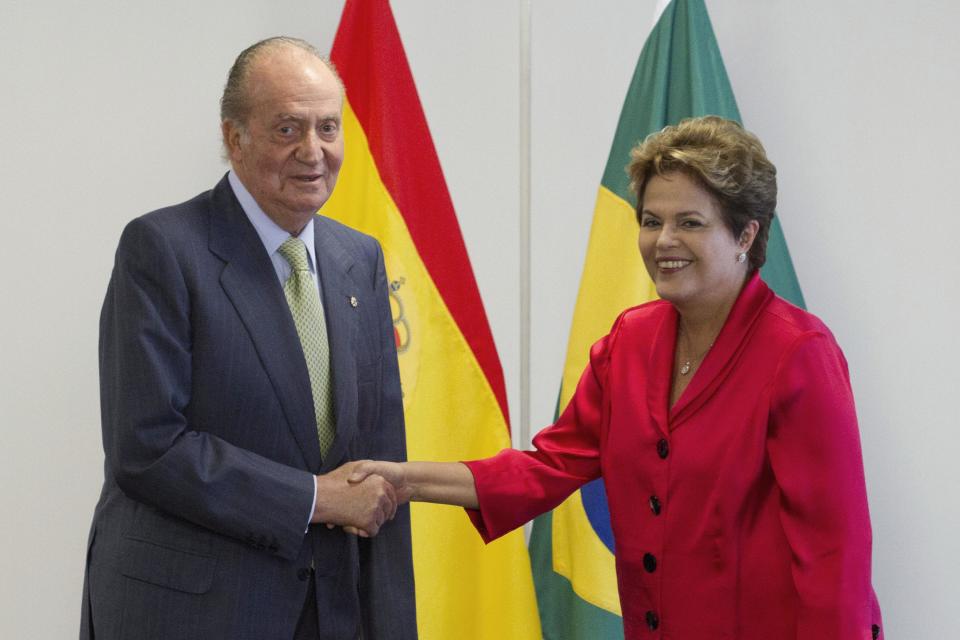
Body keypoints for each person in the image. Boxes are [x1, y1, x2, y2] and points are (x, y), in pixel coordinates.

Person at [352, 116, 883, 639]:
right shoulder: (630, 341)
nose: (663, 241)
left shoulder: (799, 354)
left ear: (746, 233)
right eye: (651, 221)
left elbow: (834, 561)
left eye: (689, 223)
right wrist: (405, 480)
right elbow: (547, 467)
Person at [80, 37, 417, 640]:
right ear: (234, 139)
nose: (313, 152)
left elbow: (379, 470)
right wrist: (313, 499)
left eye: (328, 128)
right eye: (288, 129)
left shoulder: (358, 258)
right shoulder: (161, 250)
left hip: (331, 614)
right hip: (190, 614)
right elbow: (148, 447)